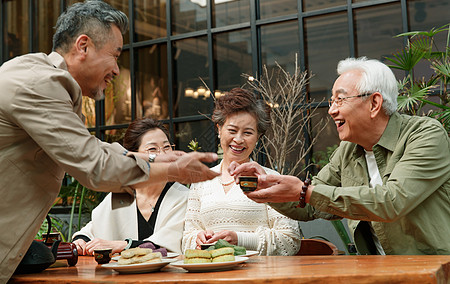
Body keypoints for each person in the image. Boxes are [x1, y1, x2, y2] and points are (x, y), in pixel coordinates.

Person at [0, 0, 218, 281]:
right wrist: (173, 169)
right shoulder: (40, 83)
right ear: (83, 46)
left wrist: (155, 160)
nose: (117, 69)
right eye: (115, 55)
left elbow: (93, 150)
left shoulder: (39, 76)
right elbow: (95, 166)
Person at [230, 57, 450, 255]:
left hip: (435, 271)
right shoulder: (348, 151)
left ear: (374, 103)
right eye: (331, 101)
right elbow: (309, 204)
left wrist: (305, 192)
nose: (331, 110)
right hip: (380, 272)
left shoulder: (425, 134)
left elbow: (392, 201)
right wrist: (265, 185)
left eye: (340, 100)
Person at [182, 88, 301, 255]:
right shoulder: (201, 181)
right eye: (232, 130)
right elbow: (187, 238)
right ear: (219, 129)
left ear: (258, 137)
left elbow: (290, 241)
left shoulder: (271, 180)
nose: (238, 139)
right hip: (214, 275)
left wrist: (240, 239)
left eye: (247, 132)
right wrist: (197, 239)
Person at [72, 118, 189, 255]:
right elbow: (91, 230)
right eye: (153, 149)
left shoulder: (183, 197)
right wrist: (81, 242)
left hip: (169, 275)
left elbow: (167, 244)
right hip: (121, 276)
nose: (163, 155)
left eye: (167, 147)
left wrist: (123, 245)